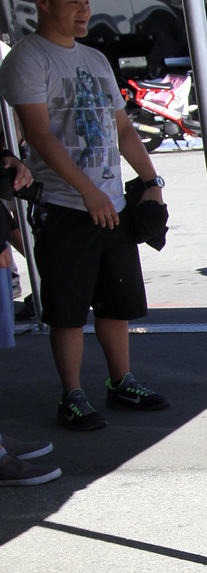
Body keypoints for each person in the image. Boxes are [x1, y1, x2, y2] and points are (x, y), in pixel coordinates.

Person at [0, 0, 170, 431]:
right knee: (69, 309)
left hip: (111, 203)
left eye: (86, 2)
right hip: (64, 206)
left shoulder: (94, 58)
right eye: (72, 1)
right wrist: (87, 191)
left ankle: (121, 382)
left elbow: (123, 127)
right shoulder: (28, 57)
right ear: (43, 3)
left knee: (116, 302)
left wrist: (151, 181)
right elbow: (38, 134)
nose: (83, 9)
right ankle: (72, 394)